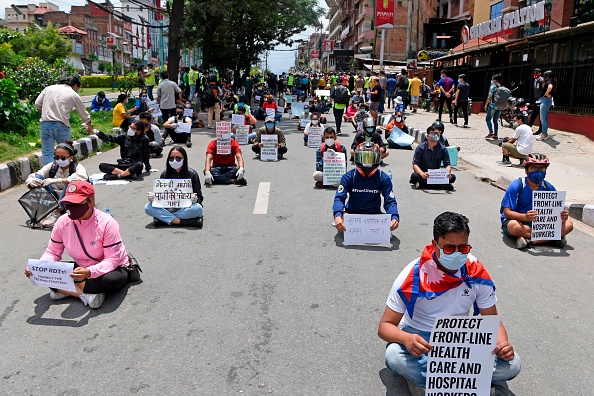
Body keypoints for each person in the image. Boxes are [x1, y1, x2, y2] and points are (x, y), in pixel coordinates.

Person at [379, 211, 521, 393]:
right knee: (394, 357)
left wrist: (502, 344)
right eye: (448, 248)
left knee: (513, 364)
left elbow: (492, 320)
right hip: (421, 339)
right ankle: (470, 382)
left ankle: (435, 383)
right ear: (435, 245)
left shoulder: (476, 273)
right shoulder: (413, 276)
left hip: (459, 340)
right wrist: (406, 339)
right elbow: (385, 326)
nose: (456, 253)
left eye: (463, 248)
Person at [24, 181, 132, 309]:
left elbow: (112, 260)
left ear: (90, 202)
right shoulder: (63, 222)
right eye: (68, 204)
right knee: (50, 272)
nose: (70, 208)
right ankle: (85, 295)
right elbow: (52, 252)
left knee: (111, 280)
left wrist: (89, 272)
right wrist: (38, 267)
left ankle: (66, 290)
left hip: (109, 269)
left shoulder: (107, 223)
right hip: (81, 269)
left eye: (76, 204)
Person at [500, 153, 573, 249]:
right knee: (514, 227)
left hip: (540, 225)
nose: (538, 171)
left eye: (542, 168)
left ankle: (530, 241)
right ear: (526, 170)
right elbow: (507, 212)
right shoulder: (517, 185)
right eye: (534, 168)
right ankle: (552, 239)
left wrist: (563, 216)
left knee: (569, 224)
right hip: (519, 221)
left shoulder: (548, 187)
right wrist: (525, 217)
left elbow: (556, 211)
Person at [333, 142, 399, 232]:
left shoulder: (383, 178)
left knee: (387, 224)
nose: (367, 163)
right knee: (342, 221)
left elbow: (390, 200)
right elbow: (339, 197)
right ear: (357, 158)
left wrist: (394, 217)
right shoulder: (349, 177)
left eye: (371, 158)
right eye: (364, 158)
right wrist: (337, 215)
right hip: (352, 214)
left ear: (378, 159)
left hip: (373, 215)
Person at [25, 141, 88, 228]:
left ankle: (57, 213)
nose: (59, 160)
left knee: (70, 184)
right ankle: (42, 213)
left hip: (70, 201)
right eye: (57, 157)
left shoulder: (77, 167)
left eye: (63, 158)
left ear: (71, 157)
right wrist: (33, 182)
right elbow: (36, 175)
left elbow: (82, 177)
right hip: (54, 198)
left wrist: (59, 180)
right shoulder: (52, 166)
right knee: (40, 178)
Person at [34, 76, 93, 165]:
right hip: (62, 125)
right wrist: (89, 127)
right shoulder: (73, 94)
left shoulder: (48, 89)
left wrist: (45, 114)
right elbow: (84, 114)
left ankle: (51, 174)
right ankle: (65, 174)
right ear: (75, 85)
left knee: (47, 154)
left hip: (45, 124)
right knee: (66, 152)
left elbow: (37, 104)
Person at [145, 146, 204, 228]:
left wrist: (195, 199)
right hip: (168, 208)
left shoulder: (192, 174)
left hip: (185, 208)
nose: (174, 161)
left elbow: (200, 197)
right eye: (171, 158)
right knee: (148, 207)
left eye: (178, 158)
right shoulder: (164, 174)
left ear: (184, 160)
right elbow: (160, 196)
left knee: (198, 209)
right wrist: (154, 198)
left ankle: (164, 220)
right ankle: (185, 222)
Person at [410, 123, 455, 190]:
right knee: (414, 176)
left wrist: (448, 173)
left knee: (453, 177)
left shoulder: (443, 149)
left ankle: (423, 184)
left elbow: (447, 164)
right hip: (423, 174)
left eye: (437, 133)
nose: (435, 135)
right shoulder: (420, 148)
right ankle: (441, 186)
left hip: (436, 174)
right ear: (428, 136)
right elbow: (415, 165)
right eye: (433, 133)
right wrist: (422, 174)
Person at [536, 70, 556, 141]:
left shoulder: (549, 82)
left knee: (542, 119)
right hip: (548, 100)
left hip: (545, 100)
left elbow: (550, 87)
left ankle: (544, 134)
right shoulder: (553, 81)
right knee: (545, 118)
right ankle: (545, 133)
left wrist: (546, 94)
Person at [485, 74, 503, 140]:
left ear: (495, 80)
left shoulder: (493, 87)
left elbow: (489, 97)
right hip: (500, 106)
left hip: (493, 105)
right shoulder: (502, 87)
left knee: (488, 119)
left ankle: (491, 132)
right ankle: (495, 134)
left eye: (492, 79)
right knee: (495, 120)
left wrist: (486, 105)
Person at [528, 68, 543, 136]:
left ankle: (540, 130)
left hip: (542, 100)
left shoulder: (542, 80)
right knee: (533, 114)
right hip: (537, 100)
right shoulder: (535, 80)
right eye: (534, 73)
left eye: (536, 73)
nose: (535, 74)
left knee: (541, 116)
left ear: (540, 73)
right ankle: (528, 127)